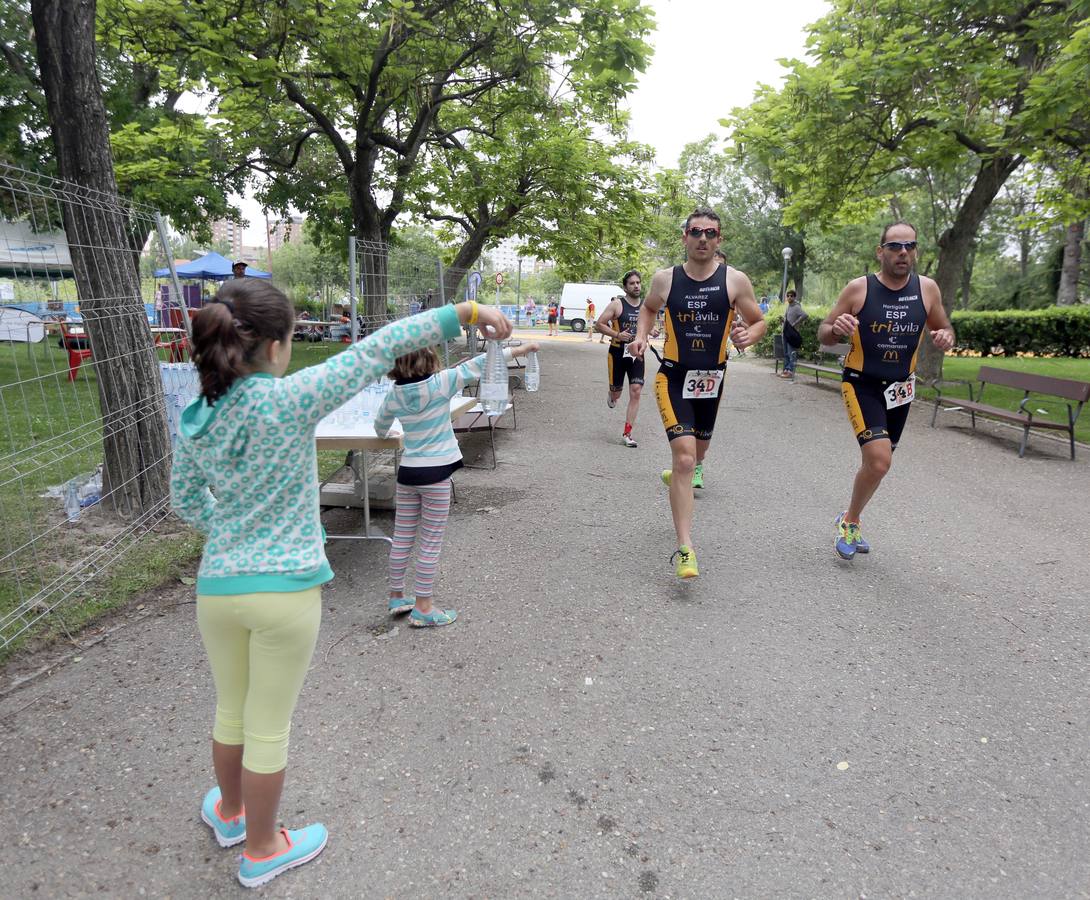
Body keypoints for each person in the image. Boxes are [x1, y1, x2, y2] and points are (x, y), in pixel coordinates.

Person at [171, 279, 510, 888]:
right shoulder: (293, 398)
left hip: (218, 587)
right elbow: (378, 349)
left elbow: (186, 499)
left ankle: (229, 813)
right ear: (277, 346)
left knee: (231, 709)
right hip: (286, 589)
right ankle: (263, 847)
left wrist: (232, 531)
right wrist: (465, 310)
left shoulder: (198, 416)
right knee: (269, 724)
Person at [628, 207, 766, 579]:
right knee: (686, 459)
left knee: (697, 454)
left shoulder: (735, 281)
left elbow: (759, 322)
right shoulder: (665, 279)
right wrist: (641, 337)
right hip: (672, 377)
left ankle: (680, 476)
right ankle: (685, 548)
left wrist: (747, 336)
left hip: (711, 381)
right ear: (684, 237)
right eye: (695, 232)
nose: (702, 238)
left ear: (718, 239)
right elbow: (648, 310)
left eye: (710, 233)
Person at [376, 340, 541, 626]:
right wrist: (520, 350)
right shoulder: (442, 383)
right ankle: (424, 608)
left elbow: (380, 427)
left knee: (402, 536)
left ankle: (396, 596)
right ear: (429, 357)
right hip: (436, 474)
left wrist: (390, 431)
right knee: (430, 541)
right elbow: (479, 364)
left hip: (408, 473)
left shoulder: (394, 394)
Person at [817, 221, 954, 560]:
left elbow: (943, 326)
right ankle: (849, 522)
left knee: (879, 462)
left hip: (901, 390)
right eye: (894, 246)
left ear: (916, 251)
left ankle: (851, 517)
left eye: (909, 245)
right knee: (879, 461)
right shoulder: (859, 289)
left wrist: (946, 337)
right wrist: (837, 328)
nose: (903, 252)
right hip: (862, 384)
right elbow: (823, 333)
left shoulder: (928, 289)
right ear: (881, 252)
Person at [596, 272, 654, 447]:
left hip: (637, 354)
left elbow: (647, 326)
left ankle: (627, 433)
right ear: (625, 287)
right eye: (632, 283)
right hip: (617, 354)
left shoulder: (646, 306)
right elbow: (599, 324)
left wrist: (651, 332)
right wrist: (617, 334)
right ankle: (612, 395)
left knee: (636, 390)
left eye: (638, 282)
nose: (636, 286)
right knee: (617, 392)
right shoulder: (617, 305)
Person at [779, 289, 807, 379]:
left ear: (794, 297)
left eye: (791, 296)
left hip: (792, 334)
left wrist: (795, 323)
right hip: (785, 332)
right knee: (786, 353)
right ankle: (786, 370)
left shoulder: (796, 307)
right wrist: (783, 321)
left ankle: (791, 371)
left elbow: (804, 315)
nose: (789, 297)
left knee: (791, 353)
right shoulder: (788, 306)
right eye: (788, 296)